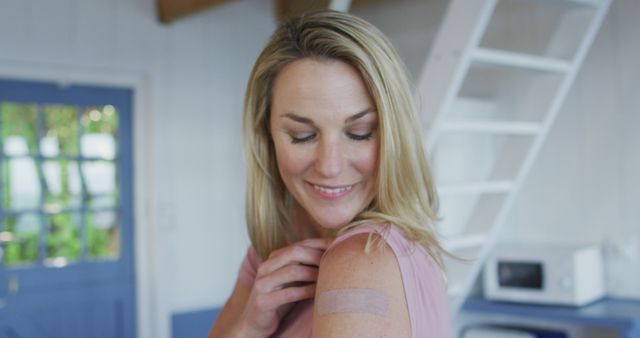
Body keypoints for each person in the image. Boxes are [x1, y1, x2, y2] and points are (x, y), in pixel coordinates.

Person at [208, 9, 452, 338]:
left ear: (395, 135)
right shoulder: (271, 252)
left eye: (361, 132)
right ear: (267, 135)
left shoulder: (363, 261)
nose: (330, 166)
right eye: (302, 135)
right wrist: (250, 324)